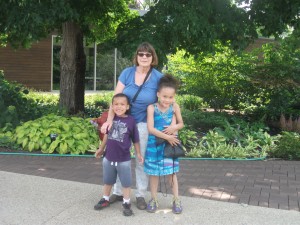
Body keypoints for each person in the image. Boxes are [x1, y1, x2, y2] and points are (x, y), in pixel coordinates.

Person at [100, 42, 163, 210]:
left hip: (142, 124)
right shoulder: (127, 73)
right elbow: (115, 98)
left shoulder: (158, 77)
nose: (144, 57)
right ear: (136, 56)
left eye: (147, 54)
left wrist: (169, 122)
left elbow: (165, 100)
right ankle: (118, 191)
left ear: (152, 57)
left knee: (140, 160)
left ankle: (141, 194)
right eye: (141, 54)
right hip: (122, 122)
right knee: (119, 158)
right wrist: (109, 120)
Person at [94, 93, 143, 216]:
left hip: (123, 159)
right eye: (116, 104)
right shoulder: (111, 119)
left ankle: (126, 202)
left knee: (126, 182)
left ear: (127, 106)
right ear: (112, 106)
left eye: (122, 104)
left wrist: (138, 153)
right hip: (108, 157)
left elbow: (135, 139)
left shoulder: (131, 121)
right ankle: (105, 198)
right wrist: (101, 149)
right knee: (108, 181)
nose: (119, 106)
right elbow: (106, 135)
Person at [144, 74, 184, 214]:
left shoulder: (175, 107)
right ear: (158, 94)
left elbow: (181, 123)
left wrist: (174, 128)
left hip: (169, 146)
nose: (167, 100)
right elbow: (151, 129)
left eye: (171, 97)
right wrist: (167, 137)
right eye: (164, 96)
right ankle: (154, 199)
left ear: (174, 97)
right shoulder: (151, 108)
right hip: (154, 145)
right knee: (154, 174)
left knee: (171, 173)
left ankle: (176, 199)